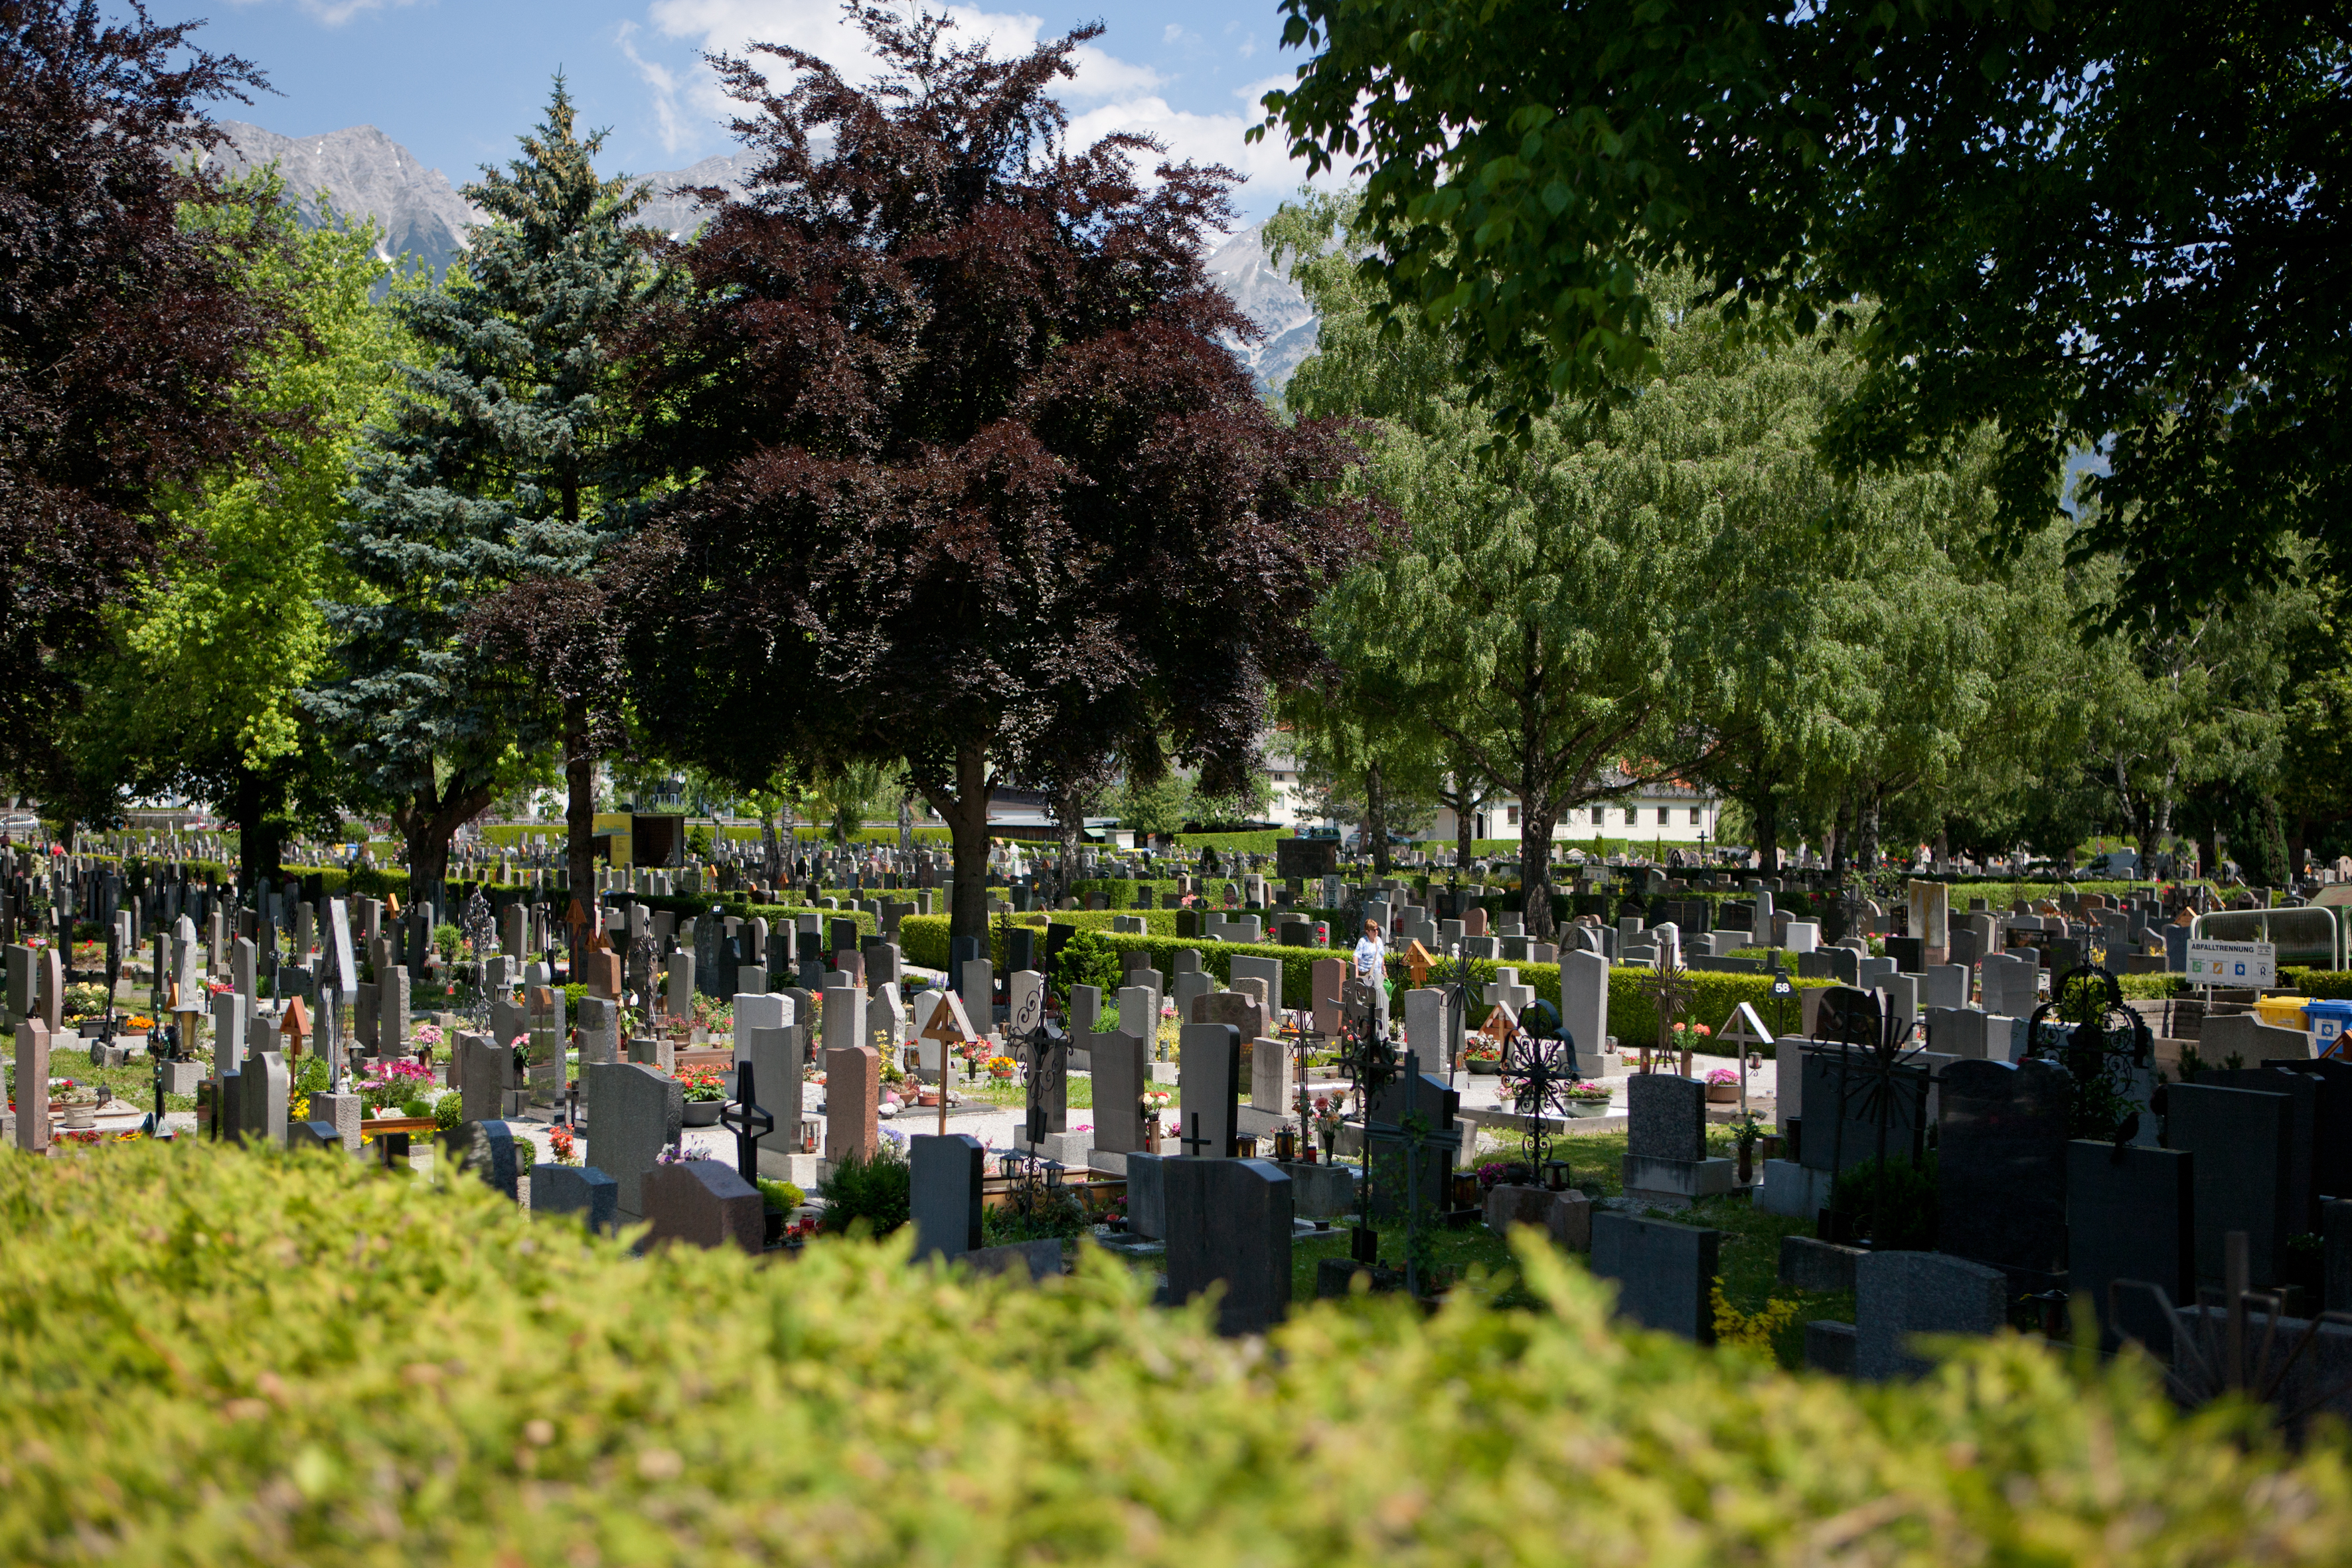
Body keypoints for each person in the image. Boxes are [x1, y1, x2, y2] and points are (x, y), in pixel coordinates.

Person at [1353, 916, 1385, 986]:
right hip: (1367, 976)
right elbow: (1356, 956)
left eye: (1377, 929)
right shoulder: (1363, 941)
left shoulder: (1379, 940)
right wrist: (1356, 973)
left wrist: (1384, 971)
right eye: (1374, 930)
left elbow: (1381, 956)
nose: (1376, 932)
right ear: (1368, 931)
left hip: (1378, 975)